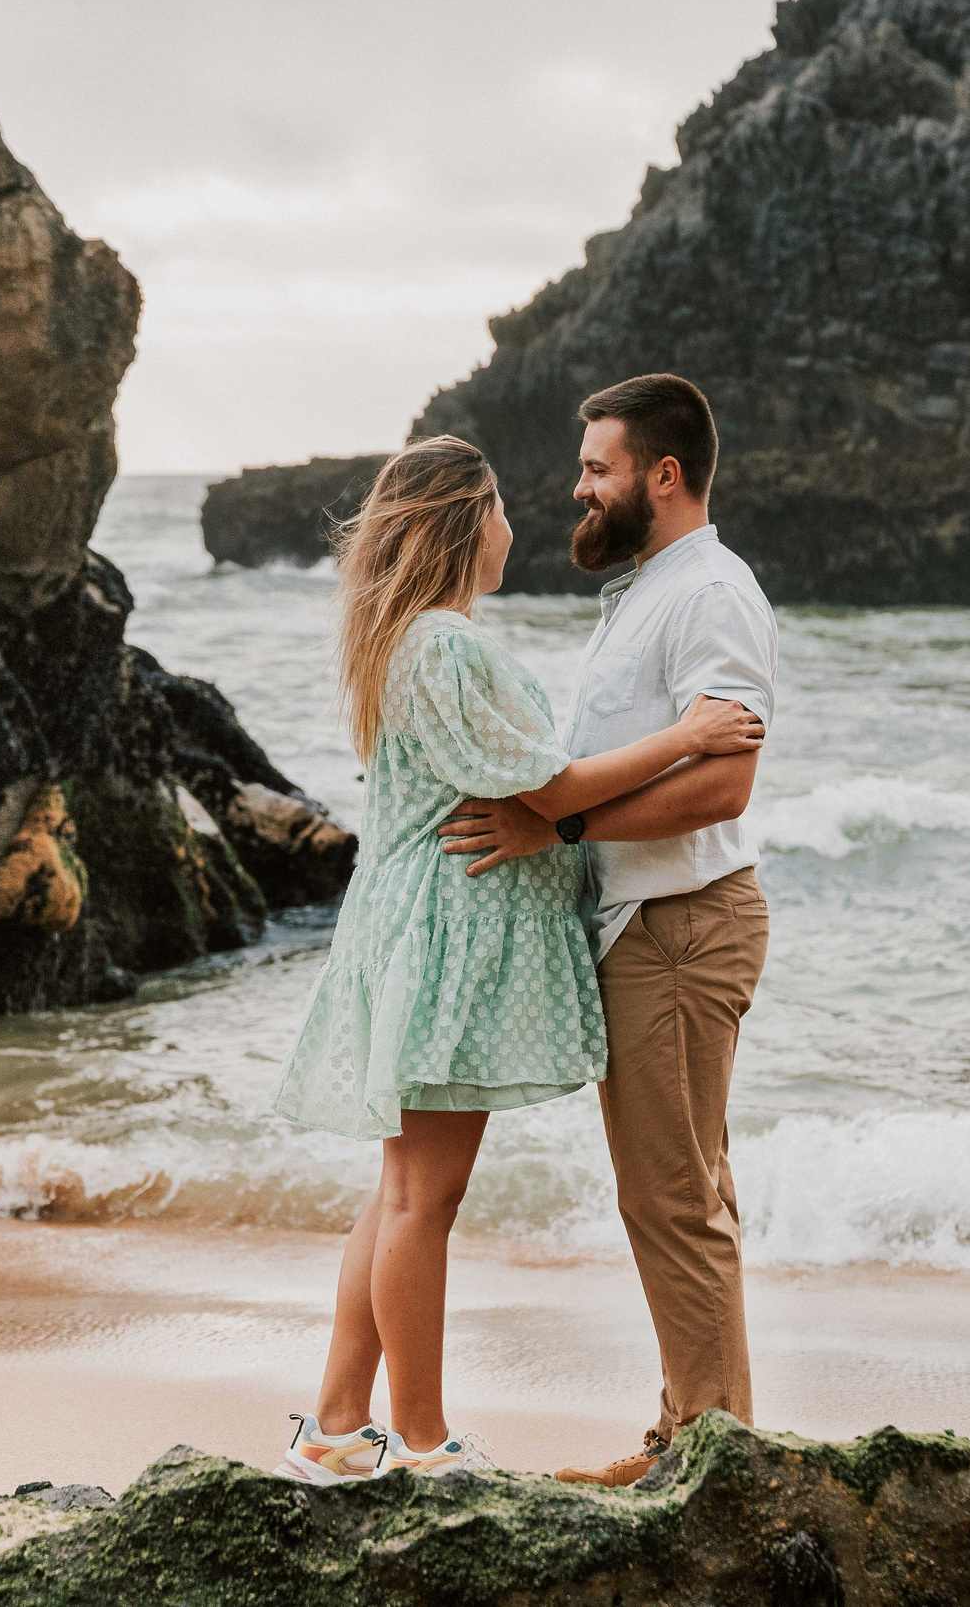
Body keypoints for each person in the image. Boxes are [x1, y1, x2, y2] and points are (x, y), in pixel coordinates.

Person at [270, 433, 764, 1483]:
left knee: (398, 1190)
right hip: (449, 939)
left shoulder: (413, 640)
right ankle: (420, 1438)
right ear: (463, 526)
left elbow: (534, 788)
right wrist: (688, 735)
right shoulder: (443, 645)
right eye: (497, 511)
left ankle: (333, 1421)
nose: (515, 526)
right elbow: (545, 786)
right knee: (421, 1201)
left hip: (423, 929)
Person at [437, 373, 778, 1488]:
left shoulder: (711, 593)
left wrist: (561, 824)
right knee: (670, 1191)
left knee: (673, 1197)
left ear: (662, 476)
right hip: (649, 922)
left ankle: (711, 1461)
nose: (577, 487)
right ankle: (690, 1436)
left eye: (597, 468)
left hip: (681, 922)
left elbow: (724, 785)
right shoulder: (647, 590)